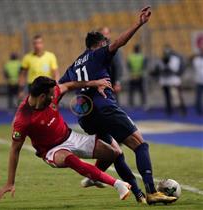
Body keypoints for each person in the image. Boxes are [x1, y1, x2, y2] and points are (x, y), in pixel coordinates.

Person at [59, 6, 177, 205]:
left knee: (115, 153)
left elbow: (60, 87)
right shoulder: (98, 54)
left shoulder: (75, 64)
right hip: (105, 108)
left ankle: (134, 192)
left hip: (86, 116)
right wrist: (138, 23)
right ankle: (151, 191)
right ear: (99, 44)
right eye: (105, 43)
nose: (108, 46)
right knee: (141, 145)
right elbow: (119, 42)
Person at [0, 76, 132, 201]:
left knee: (111, 153)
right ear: (42, 96)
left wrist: (95, 83)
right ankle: (117, 184)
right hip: (51, 151)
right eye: (51, 95)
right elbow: (14, 150)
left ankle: (93, 177)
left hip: (70, 136)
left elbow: (70, 85)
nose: (55, 96)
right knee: (71, 159)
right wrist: (10, 182)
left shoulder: (51, 93)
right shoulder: (23, 119)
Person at [18, 35, 59, 99]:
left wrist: (56, 87)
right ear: (33, 45)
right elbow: (22, 75)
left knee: (48, 107)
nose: (37, 45)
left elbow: (55, 73)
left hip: (47, 86)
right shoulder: (27, 58)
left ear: (43, 44)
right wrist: (21, 90)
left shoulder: (51, 56)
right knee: (34, 107)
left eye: (39, 43)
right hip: (33, 86)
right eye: (35, 43)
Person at [158, 45, 186, 116]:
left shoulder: (175, 59)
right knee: (167, 97)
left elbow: (176, 70)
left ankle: (182, 110)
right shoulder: (162, 60)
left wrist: (168, 68)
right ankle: (169, 110)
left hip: (174, 80)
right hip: (165, 81)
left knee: (178, 97)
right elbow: (160, 70)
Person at [99, 27, 124, 103]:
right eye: (103, 34)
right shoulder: (96, 49)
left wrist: (117, 82)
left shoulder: (114, 48)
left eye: (106, 34)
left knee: (113, 105)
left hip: (111, 83)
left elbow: (118, 65)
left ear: (110, 35)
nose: (105, 36)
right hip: (99, 84)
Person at [192, 45, 203, 115]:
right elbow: (198, 70)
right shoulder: (196, 60)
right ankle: (198, 110)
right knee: (198, 97)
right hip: (199, 81)